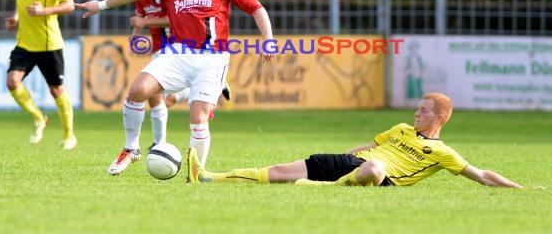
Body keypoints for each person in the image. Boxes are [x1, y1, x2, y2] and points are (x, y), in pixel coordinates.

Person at [77, 0, 275, 175]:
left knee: (198, 118)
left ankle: (197, 173)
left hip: (212, 57)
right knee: (138, 90)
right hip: (177, 53)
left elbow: (256, 8)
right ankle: (132, 148)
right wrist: (101, 5)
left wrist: (268, 39)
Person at [187, 92, 523, 189]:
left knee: (375, 168)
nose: (416, 114)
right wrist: (356, 150)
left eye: (422, 111)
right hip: (353, 164)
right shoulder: (402, 128)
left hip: (378, 176)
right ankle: (209, 175)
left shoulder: (441, 152)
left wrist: (518, 190)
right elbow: (371, 144)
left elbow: (480, 175)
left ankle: (325, 188)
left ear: (438, 119)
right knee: (278, 170)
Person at [128, 0, 231, 148]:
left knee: (162, 97)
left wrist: (145, 22)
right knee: (155, 97)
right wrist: (139, 28)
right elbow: (144, 13)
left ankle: (158, 143)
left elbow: (176, 17)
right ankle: (158, 144)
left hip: (176, 45)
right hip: (159, 43)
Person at [5, 0, 78, 150]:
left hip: (49, 43)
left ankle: (69, 136)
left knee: (56, 89)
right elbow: (22, 1)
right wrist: (16, 17)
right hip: (25, 42)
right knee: (12, 81)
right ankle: (39, 118)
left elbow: (69, 5)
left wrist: (44, 11)